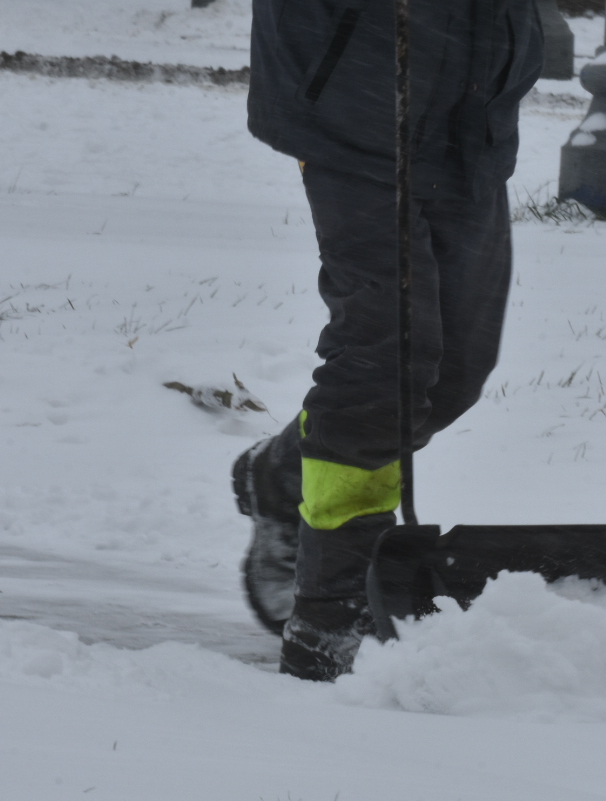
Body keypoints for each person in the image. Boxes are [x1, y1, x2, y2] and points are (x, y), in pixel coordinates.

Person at [232, 0, 544, 680]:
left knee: (453, 373)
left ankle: (285, 476)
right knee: (387, 360)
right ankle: (330, 608)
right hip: (353, 86)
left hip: (474, 106)